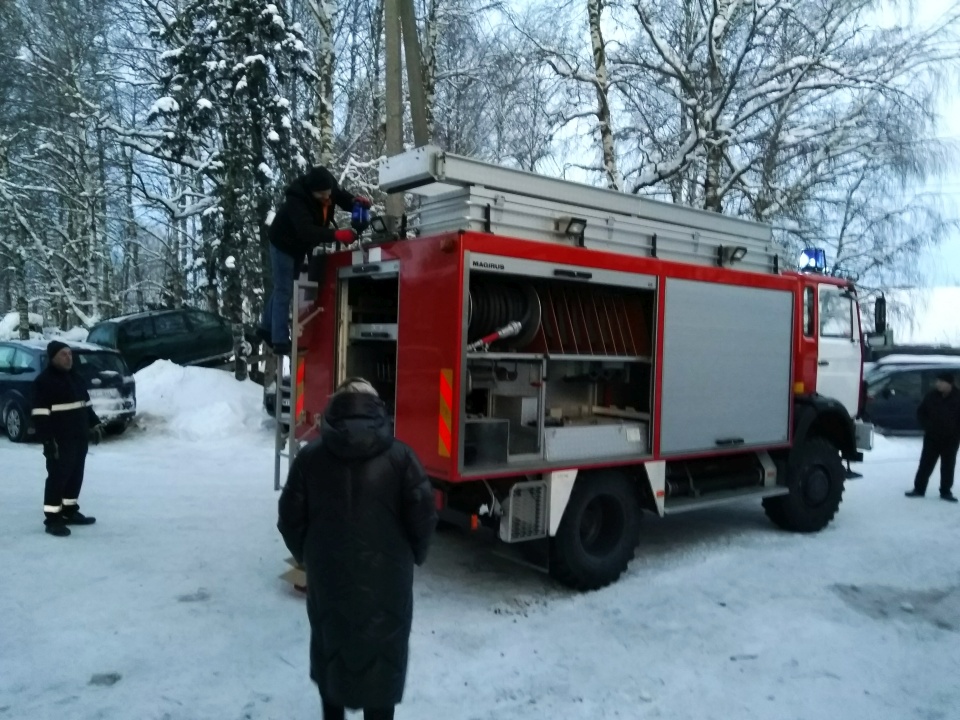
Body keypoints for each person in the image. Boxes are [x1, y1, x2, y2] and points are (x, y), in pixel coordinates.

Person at [277, 378, 437, 720]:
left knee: (332, 654)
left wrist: (308, 556)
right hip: (387, 587)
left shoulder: (311, 458)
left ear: (336, 406)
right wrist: (414, 556)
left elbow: (289, 518)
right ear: (376, 408)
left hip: (329, 583)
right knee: (382, 661)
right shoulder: (402, 458)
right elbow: (423, 517)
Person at [259, 167, 371, 355]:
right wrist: (336, 234)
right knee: (284, 289)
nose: (327, 197)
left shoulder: (328, 186)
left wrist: (355, 203)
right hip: (282, 244)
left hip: (298, 246)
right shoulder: (297, 200)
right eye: (322, 195)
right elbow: (307, 231)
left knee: (283, 287)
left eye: (329, 193)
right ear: (312, 192)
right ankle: (278, 341)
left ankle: (265, 328)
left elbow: (341, 197)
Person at [31, 340, 104, 536]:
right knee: (58, 477)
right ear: (53, 357)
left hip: (79, 437)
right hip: (59, 440)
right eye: (63, 354)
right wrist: (47, 441)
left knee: (75, 475)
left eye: (70, 354)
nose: (68, 357)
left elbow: (86, 405)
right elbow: (40, 415)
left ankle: (70, 511)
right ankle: (53, 518)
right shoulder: (44, 381)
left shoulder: (76, 378)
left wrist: (94, 423)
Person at [905, 370, 960, 502]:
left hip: (951, 439)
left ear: (949, 384)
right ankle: (919, 489)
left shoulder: (958, 397)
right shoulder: (931, 396)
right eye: (937, 381)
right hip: (932, 437)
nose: (938, 384)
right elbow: (921, 412)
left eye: (941, 382)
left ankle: (946, 491)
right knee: (925, 464)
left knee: (948, 465)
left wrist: (956, 432)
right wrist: (927, 426)